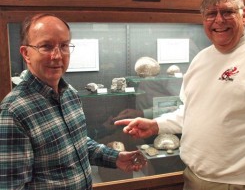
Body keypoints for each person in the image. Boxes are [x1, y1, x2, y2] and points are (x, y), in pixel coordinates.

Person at [115, 0, 245, 190]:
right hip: (195, 179)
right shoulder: (201, 60)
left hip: (243, 185)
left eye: (227, 12)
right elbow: (191, 112)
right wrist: (156, 125)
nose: (219, 20)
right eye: (211, 13)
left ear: (244, 15)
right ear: (204, 19)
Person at [0, 13, 146, 189]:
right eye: (46, 46)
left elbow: (77, 143)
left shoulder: (69, 94)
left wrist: (115, 158)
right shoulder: (13, 112)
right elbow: (10, 185)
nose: (57, 56)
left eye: (64, 46)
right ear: (26, 54)